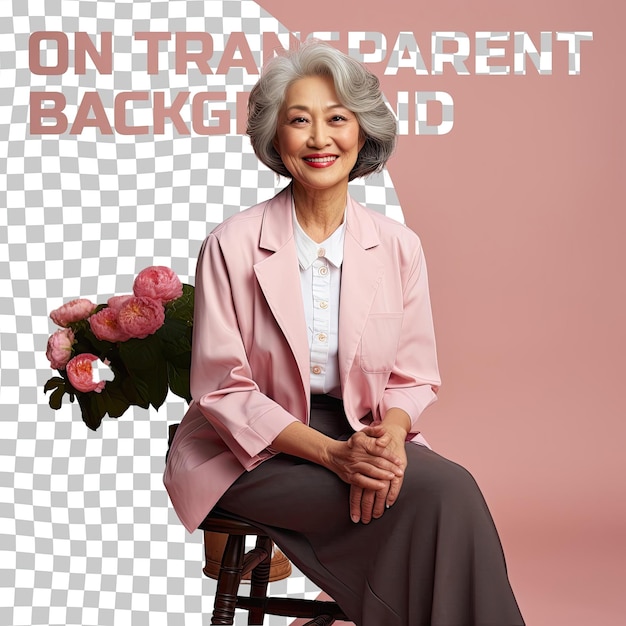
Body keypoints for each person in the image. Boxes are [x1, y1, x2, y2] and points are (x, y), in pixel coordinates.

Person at [164, 40, 525, 626]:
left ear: (363, 135)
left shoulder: (398, 246)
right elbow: (222, 391)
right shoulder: (230, 244)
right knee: (420, 503)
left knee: (452, 489)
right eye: (299, 120)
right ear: (275, 139)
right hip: (246, 452)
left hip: (357, 429)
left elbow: (414, 376)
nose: (318, 138)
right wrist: (334, 457)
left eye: (337, 119)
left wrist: (387, 439)